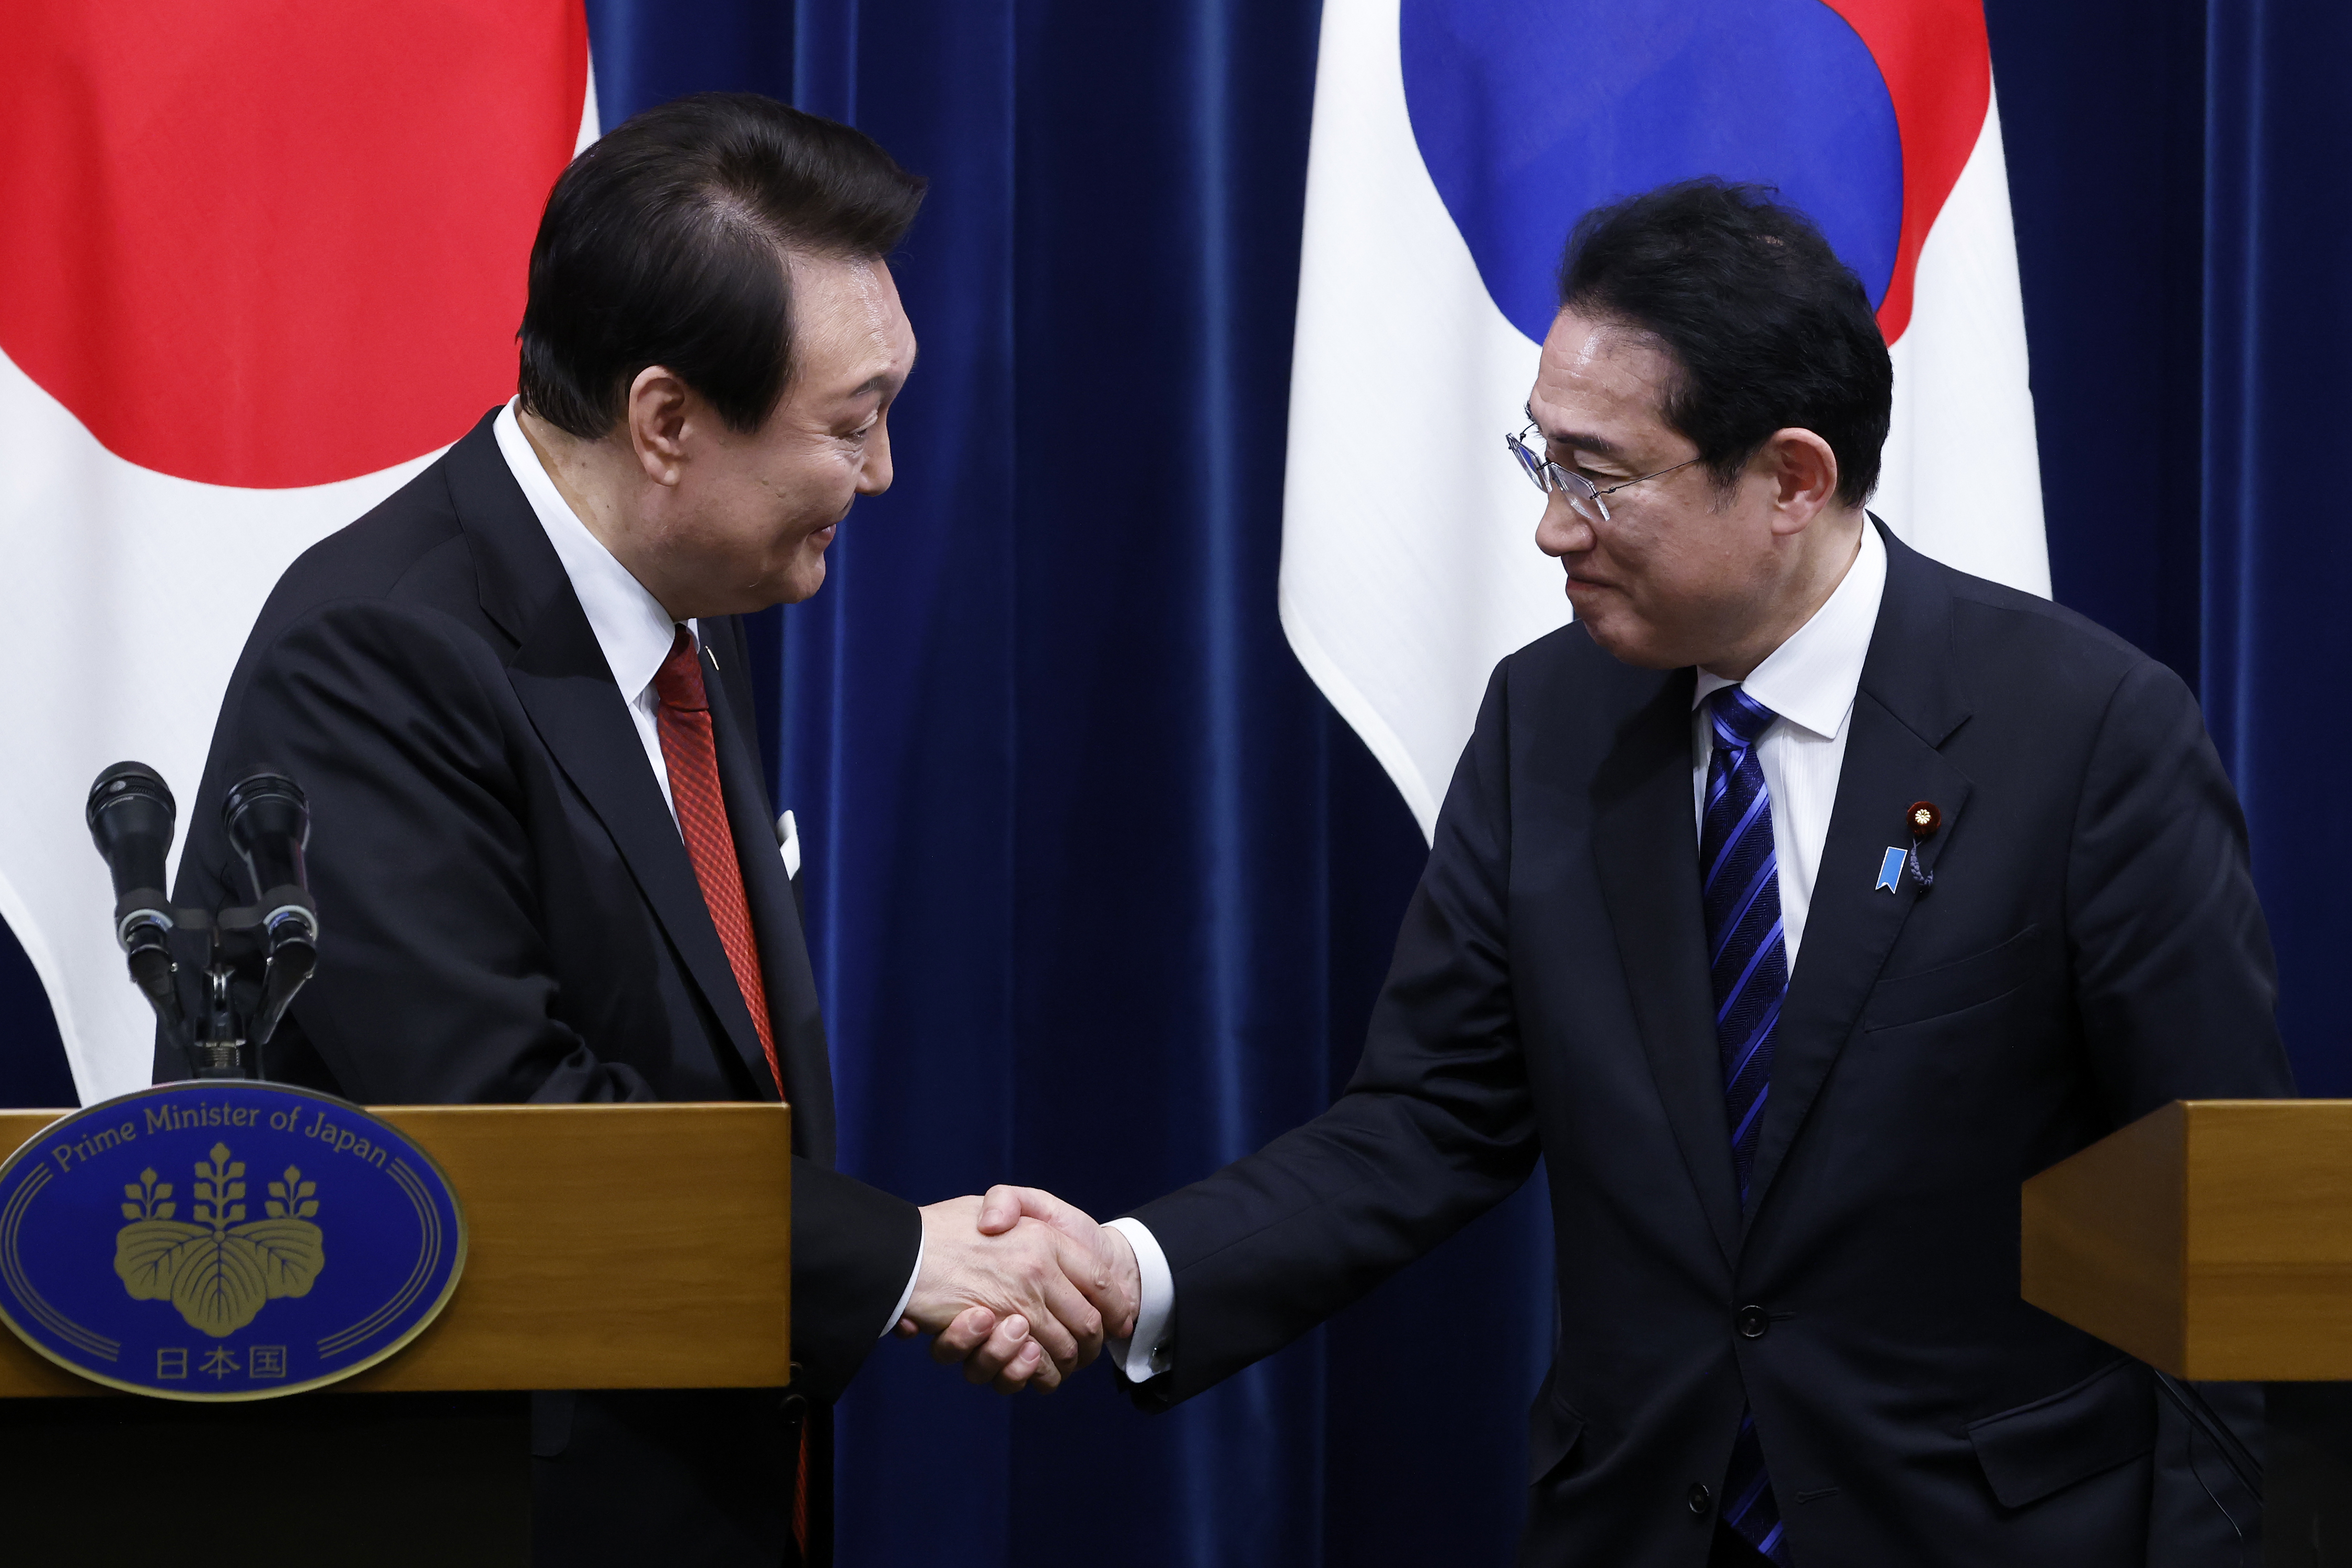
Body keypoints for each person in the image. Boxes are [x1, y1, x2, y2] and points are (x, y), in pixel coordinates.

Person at [963, 181, 2295, 1564]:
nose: (1551, 527)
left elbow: (2213, 1218)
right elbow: (1425, 1122)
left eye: (1598, 474)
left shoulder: (2085, 735)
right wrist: (1133, 1272)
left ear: (1790, 478)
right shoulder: (1549, 724)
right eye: (1542, 461)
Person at [163, 94, 1121, 1566]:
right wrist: (902, 1258)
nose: (876, 476)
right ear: (666, 420)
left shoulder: (677, 612)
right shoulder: (374, 653)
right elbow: (500, 1124)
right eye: (851, 426)